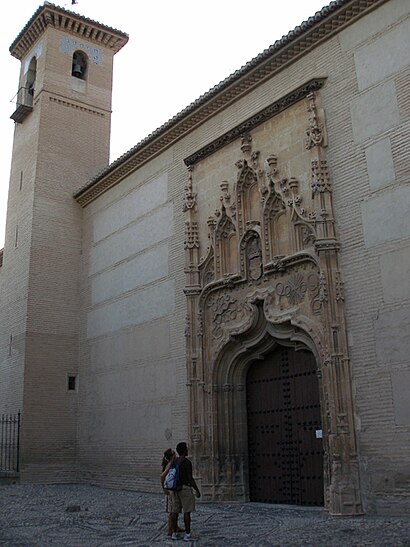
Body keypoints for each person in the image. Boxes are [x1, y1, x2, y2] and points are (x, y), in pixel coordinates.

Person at [169, 442, 200, 541]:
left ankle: (174, 533)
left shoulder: (174, 461)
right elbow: (190, 478)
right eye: (186, 449)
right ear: (184, 450)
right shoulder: (187, 462)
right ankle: (187, 534)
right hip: (185, 489)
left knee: (175, 511)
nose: (188, 450)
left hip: (175, 489)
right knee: (187, 512)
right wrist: (196, 489)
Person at [161, 448, 184, 538]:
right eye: (174, 453)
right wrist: (164, 489)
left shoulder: (173, 464)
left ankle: (175, 527)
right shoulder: (170, 464)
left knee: (175, 510)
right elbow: (162, 477)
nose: (176, 454)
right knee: (172, 512)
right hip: (170, 491)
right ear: (171, 456)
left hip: (173, 489)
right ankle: (170, 531)